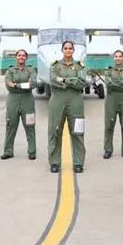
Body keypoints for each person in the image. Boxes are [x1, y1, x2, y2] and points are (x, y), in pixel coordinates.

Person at [48, 41, 87, 174]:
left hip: (75, 101)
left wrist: (63, 80)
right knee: (55, 131)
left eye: (70, 48)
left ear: (73, 50)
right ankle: (54, 162)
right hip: (57, 100)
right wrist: (72, 81)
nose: (68, 50)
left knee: (77, 132)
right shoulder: (55, 65)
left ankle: (78, 162)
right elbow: (53, 80)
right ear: (62, 50)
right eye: (66, 48)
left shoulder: (80, 66)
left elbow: (82, 83)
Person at [1, 49, 37, 160]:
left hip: (28, 101)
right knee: (10, 125)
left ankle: (32, 151)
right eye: (19, 55)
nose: (21, 57)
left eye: (23, 55)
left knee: (30, 126)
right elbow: (8, 86)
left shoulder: (31, 70)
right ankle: (8, 151)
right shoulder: (10, 70)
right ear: (16, 57)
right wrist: (24, 85)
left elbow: (33, 84)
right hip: (13, 100)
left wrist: (16, 85)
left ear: (26, 57)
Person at [103, 50, 123, 159]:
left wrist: (116, 84)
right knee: (109, 126)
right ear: (114, 58)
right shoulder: (109, 71)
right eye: (116, 56)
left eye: (120, 56)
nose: (118, 58)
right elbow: (108, 84)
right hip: (111, 100)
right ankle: (108, 149)